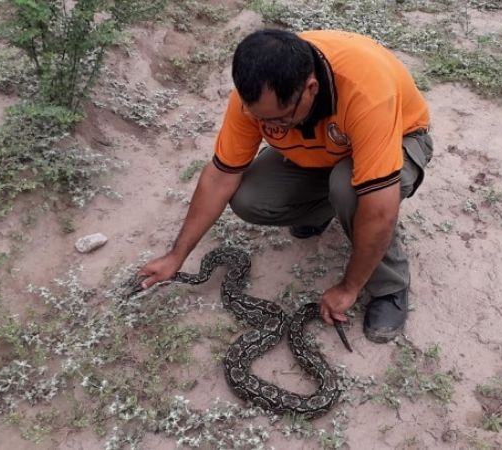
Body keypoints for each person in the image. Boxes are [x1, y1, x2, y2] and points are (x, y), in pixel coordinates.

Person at [139, 28, 433, 343]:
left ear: (311, 88)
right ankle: (320, 210)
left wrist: (349, 288)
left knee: (350, 191)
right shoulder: (254, 97)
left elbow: (379, 211)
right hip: (324, 151)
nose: (267, 127)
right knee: (249, 198)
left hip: (400, 140)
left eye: (277, 120)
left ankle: (390, 286)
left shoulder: (366, 90)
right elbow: (220, 177)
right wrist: (176, 256)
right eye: (260, 119)